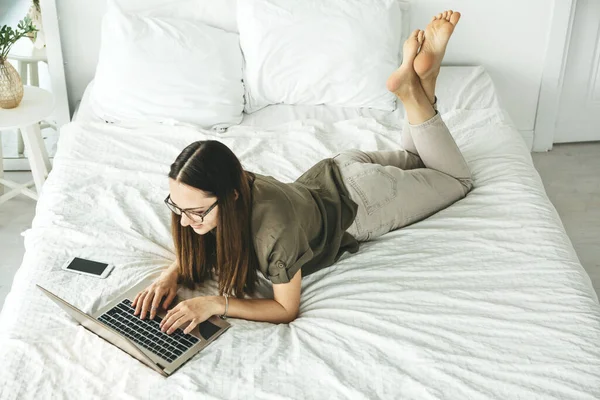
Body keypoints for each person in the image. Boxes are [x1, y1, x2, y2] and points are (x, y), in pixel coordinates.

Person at [132, 10, 471, 333]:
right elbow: (204, 234)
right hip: (339, 168)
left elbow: (285, 309)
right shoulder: (231, 182)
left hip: (367, 203)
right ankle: (425, 77)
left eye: (195, 212)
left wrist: (214, 304)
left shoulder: (274, 234)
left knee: (457, 180)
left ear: (230, 195)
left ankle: (413, 89)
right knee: (419, 157)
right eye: (177, 207)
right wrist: (169, 276)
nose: (187, 222)